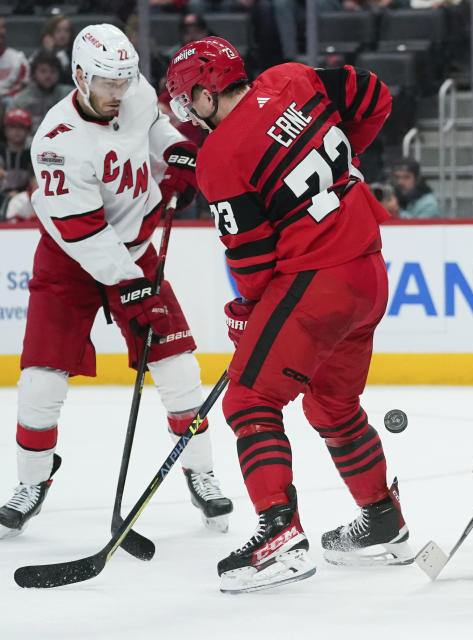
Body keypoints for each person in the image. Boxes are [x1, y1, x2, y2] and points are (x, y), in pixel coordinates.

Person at [165, 36, 411, 593]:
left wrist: (247, 311)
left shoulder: (220, 156)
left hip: (319, 279)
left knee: (250, 398)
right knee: (331, 404)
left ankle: (279, 533)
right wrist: (337, 171)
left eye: (189, 100)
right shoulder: (293, 78)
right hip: (369, 272)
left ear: (206, 93)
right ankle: (382, 521)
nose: (189, 114)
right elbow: (374, 95)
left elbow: (252, 260)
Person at [0, 24, 233, 541]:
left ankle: (201, 472)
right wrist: (129, 285)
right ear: (79, 76)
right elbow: (84, 233)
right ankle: (32, 482)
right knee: (41, 382)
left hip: (136, 249)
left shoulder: (133, 90)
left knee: (178, 370)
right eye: (107, 83)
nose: (119, 93)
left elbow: (153, 126)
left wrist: (174, 153)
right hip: (70, 261)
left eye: (125, 80)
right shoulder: (58, 143)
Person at [8, 51, 72, 136]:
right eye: (43, 71)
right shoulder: (20, 100)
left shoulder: (70, 96)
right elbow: (12, 132)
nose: (48, 76)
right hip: (30, 146)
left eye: (53, 71)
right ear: (34, 74)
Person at [0, 108, 32, 192]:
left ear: (29, 131)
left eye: (22, 127)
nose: (17, 131)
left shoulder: (32, 155)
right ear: (5, 130)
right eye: (12, 126)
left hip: (25, 198)